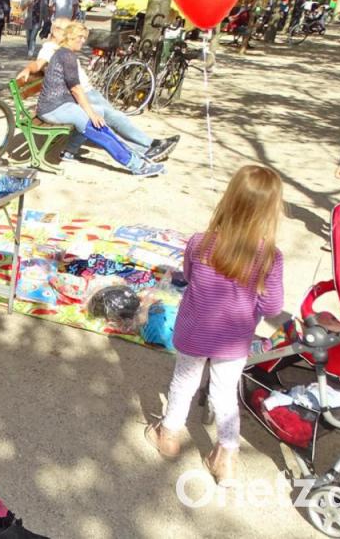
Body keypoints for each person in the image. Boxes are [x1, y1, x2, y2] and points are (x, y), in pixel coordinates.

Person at [146, 165, 284, 486]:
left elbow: (191, 279)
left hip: (194, 330)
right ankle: (227, 458)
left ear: (230, 199)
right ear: (270, 210)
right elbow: (273, 307)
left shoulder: (199, 242)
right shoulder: (271, 257)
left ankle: (168, 435)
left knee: (184, 381)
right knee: (225, 394)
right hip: (234, 340)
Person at [17, 19, 179, 163]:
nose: (72, 36)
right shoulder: (50, 49)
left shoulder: (62, 48)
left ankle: (146, 145)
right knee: (111, 117)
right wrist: (27, 69)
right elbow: (37, 65)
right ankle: (148, 146)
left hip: (86, 92)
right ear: (56, 31)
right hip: (79, 96)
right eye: (68, 31)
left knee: (112, 116)